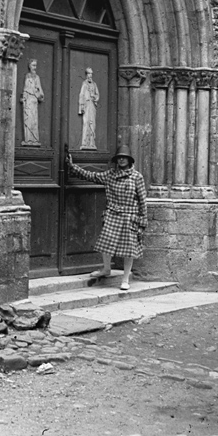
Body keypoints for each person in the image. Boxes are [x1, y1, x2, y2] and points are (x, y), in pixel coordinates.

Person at [66, 145, 147, 290]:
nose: (121, 160)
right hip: (112, 213)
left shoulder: (137, 177)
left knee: (129, 249)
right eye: (119, 157)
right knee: (106, 242)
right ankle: (106, 269)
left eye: (124, 157)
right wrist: (72, 167)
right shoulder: (110, 174)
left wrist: (142, 222)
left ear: (129, 160)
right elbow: (91, 176)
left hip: (130, 216)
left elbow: (142, 200)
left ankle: (125, 279)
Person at [21, 59, 44, 146]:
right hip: (28, 100)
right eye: (33, 65)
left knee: (34, 120)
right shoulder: (27, 76)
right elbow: (25, 88)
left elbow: (40, 89)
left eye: (35, 65)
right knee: (29, 119)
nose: (35, 67)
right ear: (29, 66)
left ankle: (34, 139)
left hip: (34, 100)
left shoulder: (37, 77)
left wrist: (40, 94)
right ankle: (28, 139)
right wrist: (24, 97)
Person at [78, 67, 99, 150]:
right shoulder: (84, 84)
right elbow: (81, 95)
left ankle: (92, 143)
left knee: (92, 123)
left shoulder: (94, 84)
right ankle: (85, 142)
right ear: (86, 75)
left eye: (91, 74)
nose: (90, 75)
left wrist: (95, 97)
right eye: (89, 74)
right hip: (86, 105)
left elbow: (97, 95)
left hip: (92, 105)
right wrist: (81, 106)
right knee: (86, 123)